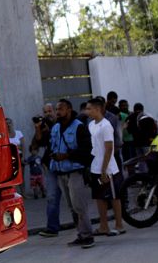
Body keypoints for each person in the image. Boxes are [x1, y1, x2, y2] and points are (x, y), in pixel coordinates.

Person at [49, 99, 94, 248]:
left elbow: (87, 150)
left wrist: (67, 155)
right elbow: (51, 146)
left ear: (69, 109)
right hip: (60, 172)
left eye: (60, 109)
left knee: (79, 205)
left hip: (75, 172)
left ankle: (88, 236)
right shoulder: (55, 127)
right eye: (56, 109)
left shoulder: (79, 127)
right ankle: (80, 234)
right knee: (71, 207)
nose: (57, 112)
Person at [86, 98, 126, 236]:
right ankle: (104, 226)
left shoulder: (106, 125)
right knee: (99, 197)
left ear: (97, 109)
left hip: (108, 168)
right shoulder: (91, 125)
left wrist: (104, 170)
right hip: (95, 167)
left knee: (114, 197)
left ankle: (119, 225)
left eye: (89, 108)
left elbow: (109, 149)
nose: (87, 111)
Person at [33, 103, 63, 237]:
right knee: (51, 197)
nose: (48, 114)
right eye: (45, 112)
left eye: (50, 111)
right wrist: (38, 128)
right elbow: (37, 143)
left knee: (72, 198)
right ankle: (52, 227)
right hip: (51, 166)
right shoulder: (44, 128)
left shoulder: (63, 123)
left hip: (65, 164)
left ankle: (80, 226)